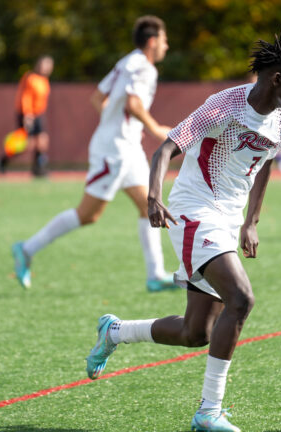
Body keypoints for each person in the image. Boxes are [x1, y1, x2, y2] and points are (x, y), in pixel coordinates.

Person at [84, 29, 281, 432]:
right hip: (193, 211)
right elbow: (166, 148)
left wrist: (251, 221)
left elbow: (266, 163)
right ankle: (209, 411)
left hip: (226, 218)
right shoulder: (224, 105)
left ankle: (114, 331)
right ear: (276, 79)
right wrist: (154, 196)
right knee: (241, 300)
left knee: (196, 333)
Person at [11, 16, 177, 293]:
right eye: (164, 40)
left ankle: (155, 275)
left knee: (147, 206)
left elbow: (98, 98)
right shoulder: (145, 68)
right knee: (88, 214)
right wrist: (156, 129)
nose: (167, 46)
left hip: (124, 146)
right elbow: (134, 104)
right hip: (116, 150)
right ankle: (26, 249)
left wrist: (114, 125)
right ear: (152, 42)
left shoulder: (126, 61)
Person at [0, 55, 53, 176]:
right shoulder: (30, 78)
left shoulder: (45, 80)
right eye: (45, 64)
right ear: (38, 65)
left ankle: (38, 168)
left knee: (43, 141)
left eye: (49, 65)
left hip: (39, 115)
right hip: (27, 114)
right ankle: (3, 160)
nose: (47, 67)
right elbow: (25, 97)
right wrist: (27, 115)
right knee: (27, 144)